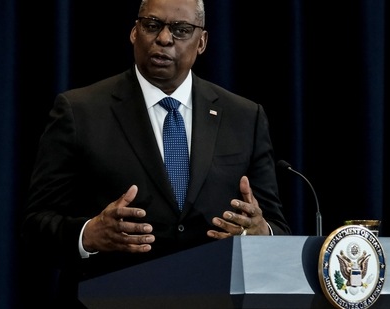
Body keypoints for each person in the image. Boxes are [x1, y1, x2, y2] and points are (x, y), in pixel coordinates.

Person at [21, 0, 291, 305]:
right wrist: (88, 234)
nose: (164, 38)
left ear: (201, 41)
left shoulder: (244, 117)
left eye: (181, 30)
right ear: (134, 32)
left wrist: (262, 233)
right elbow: (35, 227)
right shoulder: (79, 111)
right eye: (152, 25)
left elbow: (276, 227)